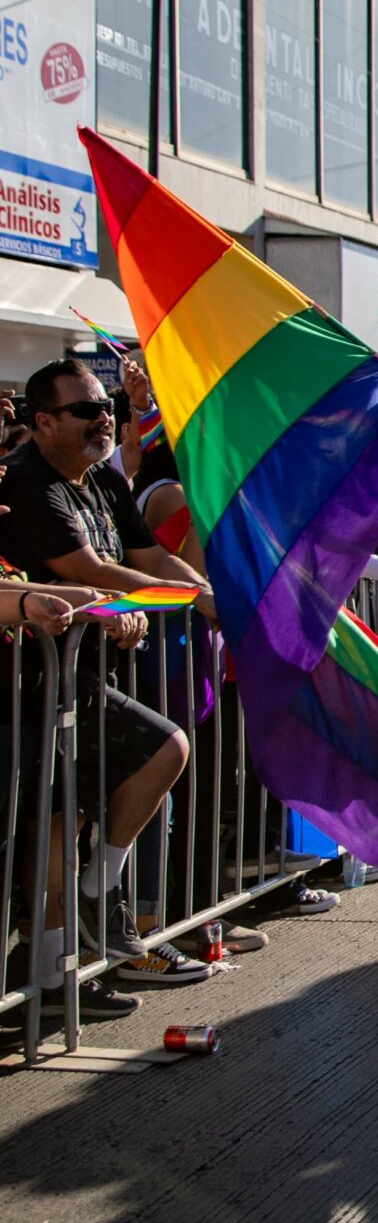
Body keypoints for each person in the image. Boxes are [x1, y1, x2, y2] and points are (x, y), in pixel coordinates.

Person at [0, 360, 215, 992]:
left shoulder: (101, 479)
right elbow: (92, 570)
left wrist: (203, 588)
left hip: (83, 681)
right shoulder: (28, 484)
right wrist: (192, 601)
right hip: (31, 692)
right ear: (42, 423)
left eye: (107, 408)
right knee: (62, 819)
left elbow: (146, 556)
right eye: (87, 410)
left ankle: (70, 947)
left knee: (72, 819)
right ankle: (59, 961)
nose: (105, 419)